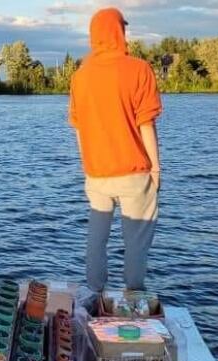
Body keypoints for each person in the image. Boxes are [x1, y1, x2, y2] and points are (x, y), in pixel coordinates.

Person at [69, 8, 162, 293]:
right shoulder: (138, 69)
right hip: (134, 172)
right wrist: (156, 168)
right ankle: (133, 297)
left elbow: (79, 128)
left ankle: (95, 294)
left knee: (96, 238)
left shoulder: (80, 76)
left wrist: (89, 166)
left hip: (96, 173)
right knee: (135, 240)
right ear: (119, 32)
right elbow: (145, 123)